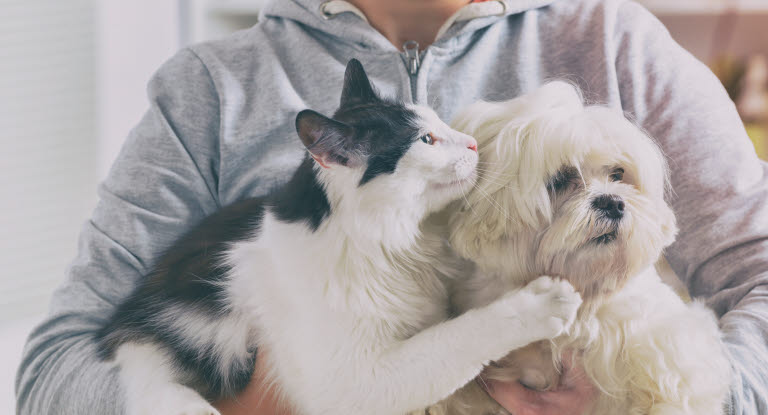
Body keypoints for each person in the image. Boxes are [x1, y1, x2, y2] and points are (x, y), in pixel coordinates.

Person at [15, 0, 768, 414]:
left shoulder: (618, 46)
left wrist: (670, 400)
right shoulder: (211, 91)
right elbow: (53, 371)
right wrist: (265, 400)